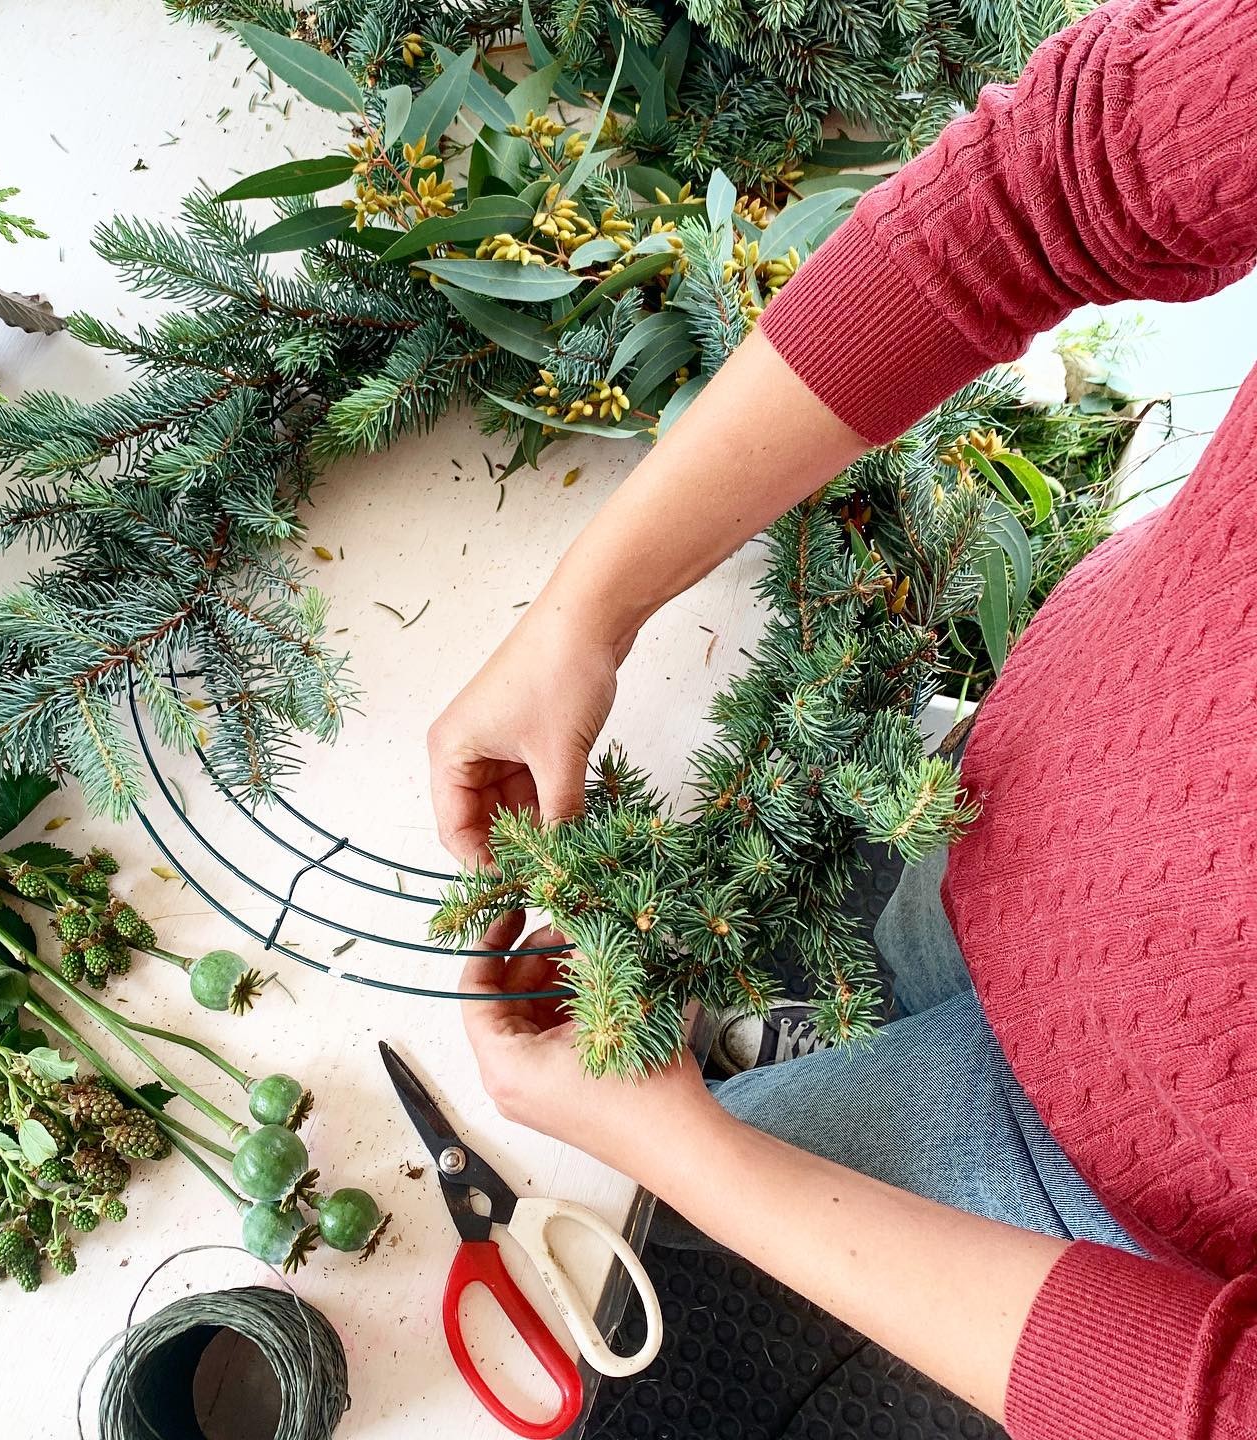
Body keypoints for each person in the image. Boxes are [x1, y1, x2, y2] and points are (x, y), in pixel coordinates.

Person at [425, 0, 1257, 1435]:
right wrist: (587, 606)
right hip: (1013, 799)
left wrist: (691, 1157)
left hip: (1121, 1207)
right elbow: (1054, 178)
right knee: (883, 959)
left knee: (698, 1284)